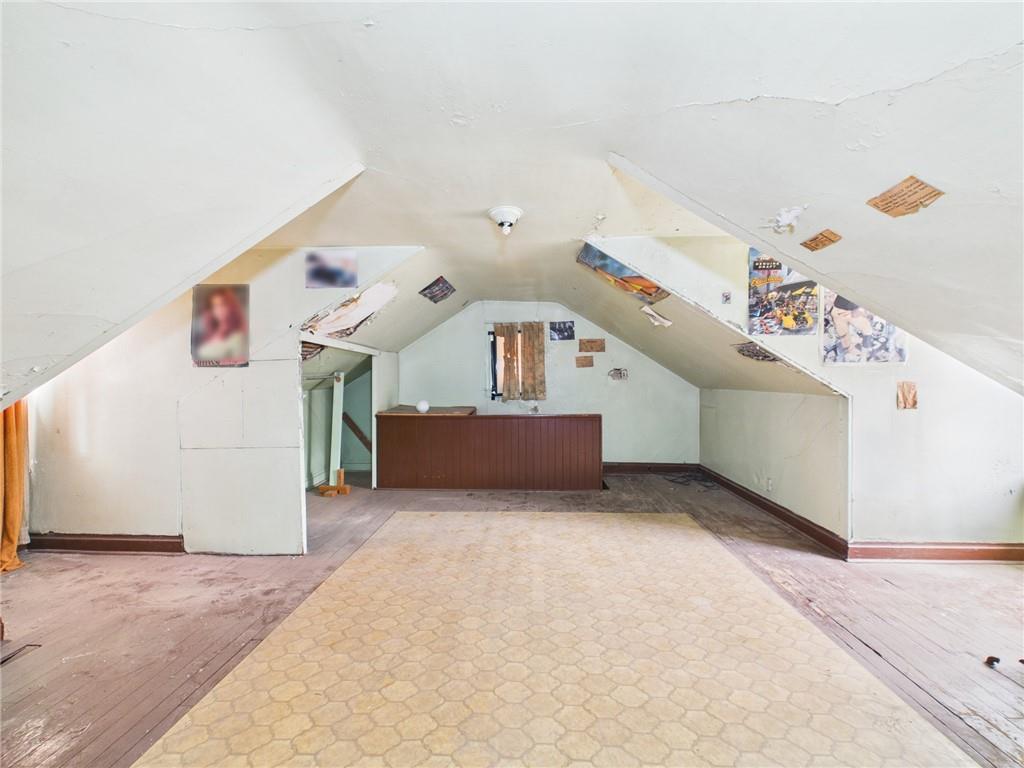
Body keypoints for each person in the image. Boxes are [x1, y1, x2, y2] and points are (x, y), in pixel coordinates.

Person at [194, 286, 248, 366]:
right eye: (215, 306)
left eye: (223, 304)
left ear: (231, 306)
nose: (220, 309)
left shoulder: (238, 337)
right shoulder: (207, 338)